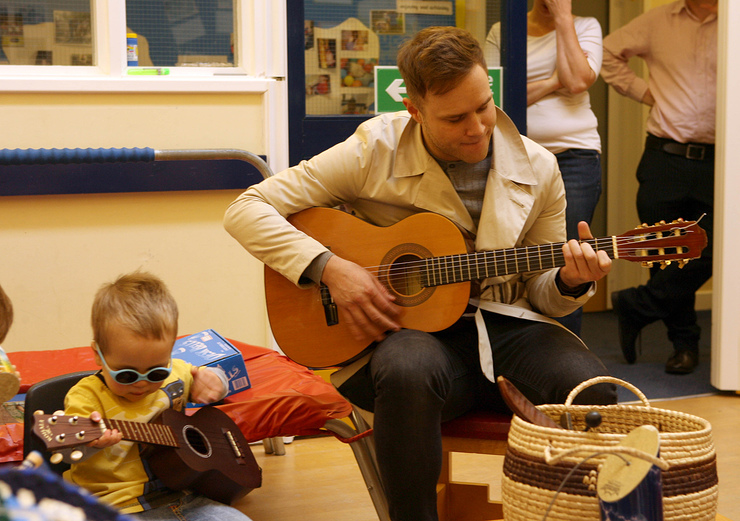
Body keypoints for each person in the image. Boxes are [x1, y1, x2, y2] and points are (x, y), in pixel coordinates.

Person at [224, 27, 617, 521]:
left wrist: (570, 281)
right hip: (404, 336)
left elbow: (541, 293)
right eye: (455, 118)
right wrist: (331, 268)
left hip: (502, 326)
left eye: (484, 106)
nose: (477, 128)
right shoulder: (373, 151)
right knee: (409, 372)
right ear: (414, 110)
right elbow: (246, 208)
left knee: (596, 393)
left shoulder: (539, 169)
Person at [63, 271, 253, 521]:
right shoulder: (86, 398)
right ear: (99, 355)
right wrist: (87, 445)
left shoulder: (177, 373)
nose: (142, 383)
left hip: (187, 495)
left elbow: (217, 378)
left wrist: (216, 381)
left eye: (156, 372)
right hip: (115, 507)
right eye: (127, 375)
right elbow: (68, 450)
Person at [601, 0, 717, 374]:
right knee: (668, 252)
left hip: (721, 161)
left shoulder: (733, 22)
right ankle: (684, 346)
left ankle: (638, 304)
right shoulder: (657, 21)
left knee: (715, 247)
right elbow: (606, 53)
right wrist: (643, 92)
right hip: (664, 156)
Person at [484, 0, 603, 336]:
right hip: (513, 159)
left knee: (569, 262)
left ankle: (564, 354)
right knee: (517, 258)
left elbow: (578, 80)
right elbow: (495, 98)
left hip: (574, 157)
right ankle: (522, 350)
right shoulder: (503, 30)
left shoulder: (586, 25)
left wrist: (564, 18)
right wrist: (554, 81)